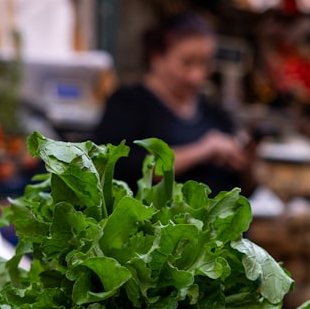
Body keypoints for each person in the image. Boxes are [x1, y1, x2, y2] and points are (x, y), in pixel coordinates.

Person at [94, 11, 253, 193]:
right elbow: (120, 168)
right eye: (187, 63)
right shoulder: (127, 104)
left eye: (205, 63)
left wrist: (245, 163)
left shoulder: (214, 114)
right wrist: (202, 150)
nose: (197, 76)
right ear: (157, 58)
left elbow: (244, 189)